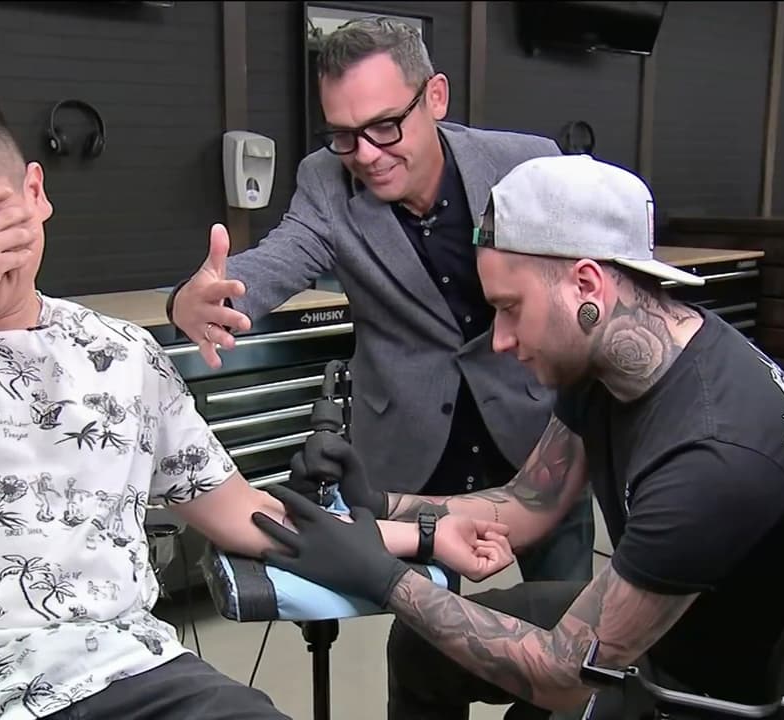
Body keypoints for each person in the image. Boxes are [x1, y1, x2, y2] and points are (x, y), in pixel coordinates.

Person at [0, 78, 515, 720]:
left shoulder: (119, 353)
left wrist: (421, 536)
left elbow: (246, 515)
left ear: (34, 192)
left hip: (126, 677)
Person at [252, 154, 784, 718]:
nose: (498, 340)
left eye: (510, 307)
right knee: (421, 646)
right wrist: (379, 503)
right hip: (682, 621)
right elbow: (529, 503)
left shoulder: (711, 456)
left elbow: (566, 675)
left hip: (734, 692)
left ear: (587, 286)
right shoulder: (619, 356)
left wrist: (382, 578)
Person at [168, 16, 594, 584]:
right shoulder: (325, 181)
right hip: (412, 450)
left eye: (385, 127)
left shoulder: (526, 164)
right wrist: (193, 300)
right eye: (344, 135)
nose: (366, 155)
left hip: (533, 434)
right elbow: (282, 255)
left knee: (566, 611)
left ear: (435, 97)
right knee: (423, 626)